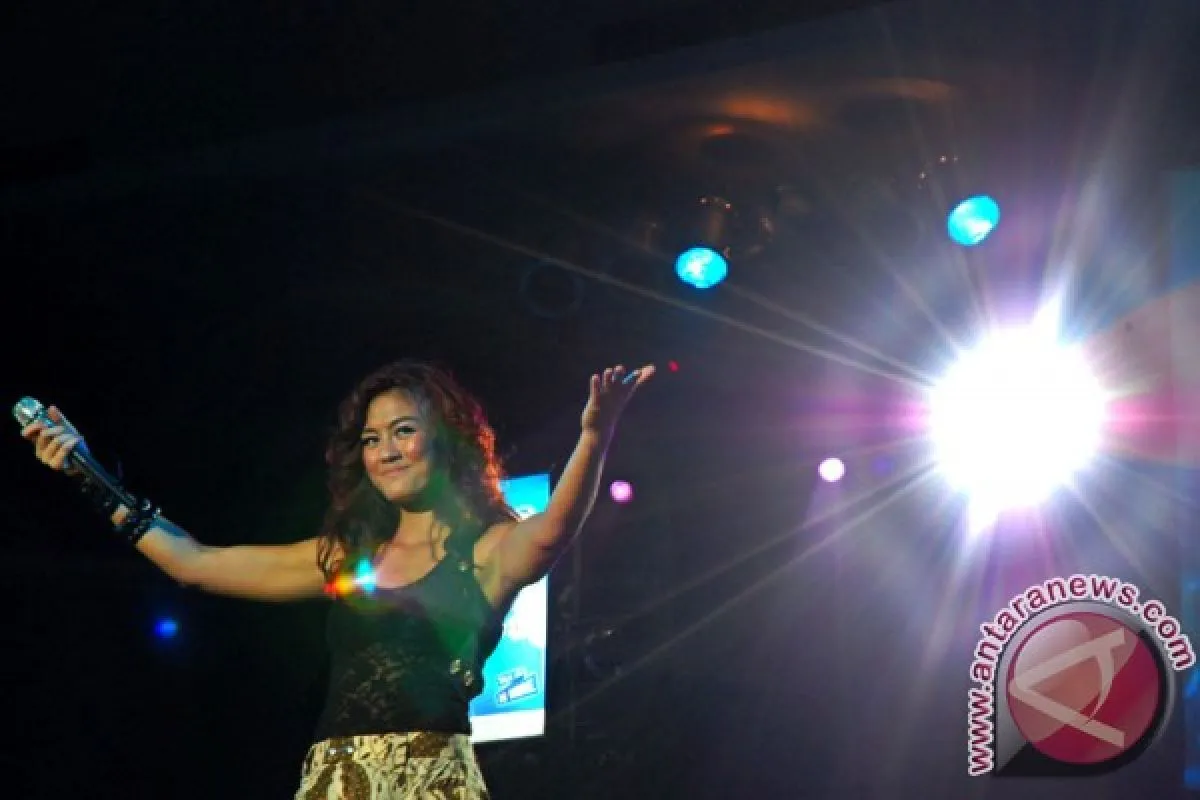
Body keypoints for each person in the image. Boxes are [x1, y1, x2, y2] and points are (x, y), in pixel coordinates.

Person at [20, 359, 653, 799]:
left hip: (430, 782)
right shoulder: (346, 559)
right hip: (334, 782)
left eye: (404, 431)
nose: (386, 451)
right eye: (372, 439)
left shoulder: (486, 552)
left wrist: (594, 435)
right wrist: (88, 475)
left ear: (448, 442)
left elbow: (551, 532)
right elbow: (194, 562)